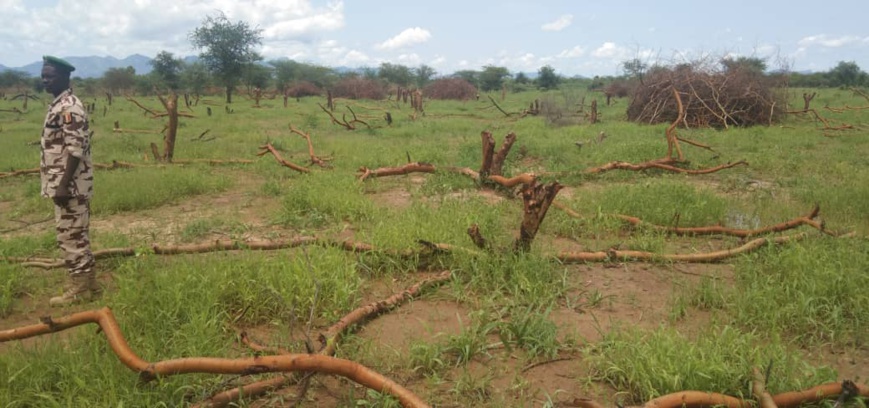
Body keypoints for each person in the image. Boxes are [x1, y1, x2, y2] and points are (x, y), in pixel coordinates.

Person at [40, 55, 98, 307]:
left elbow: (76, 149)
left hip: (70, 186)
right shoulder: (59, 103)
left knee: (71, 236)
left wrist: (62, 185)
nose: (45, 81)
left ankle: (80, 289)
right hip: (65, 183)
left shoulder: (69, 107)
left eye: (49, 76)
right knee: (75, 234)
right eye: (43, 76)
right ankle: (87, 283)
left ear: (64, 77)